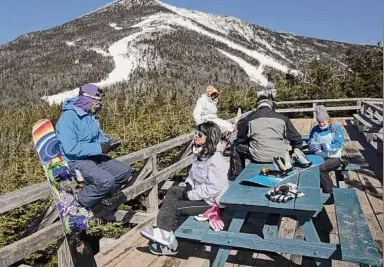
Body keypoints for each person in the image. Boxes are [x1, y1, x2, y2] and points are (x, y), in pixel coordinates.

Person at [140, 121, 229, 256]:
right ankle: (164, 232)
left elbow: (214, 188)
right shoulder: (200, 154)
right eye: (195, 133)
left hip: (211, 202)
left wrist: (190, 195)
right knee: (173, 190)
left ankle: (170, 242)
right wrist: (188, 186)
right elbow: (192, 176)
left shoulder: (216, 160)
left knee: (175, 207)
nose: (195, 137)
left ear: (209, 138)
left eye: (200, 134)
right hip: (199, 194)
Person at [55, 83, 132, 214]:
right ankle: (79, 203)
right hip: (75, 160)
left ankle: (103, 197)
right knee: (106, 180)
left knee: (124, 171)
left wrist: (109, 143)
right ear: (87, 99)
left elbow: (98, 137)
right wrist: (99, 148)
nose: (99, 104)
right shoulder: (68, 118)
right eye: (97, 101)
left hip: (93, 156)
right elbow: (71, 148)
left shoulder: (90, 116)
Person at [228, 89, 303, 180]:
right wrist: (296, 153)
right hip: (279, 156)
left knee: (235, 146)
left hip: (258, 156)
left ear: (257, 105)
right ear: (271, 104)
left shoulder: (247, 119)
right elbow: (297, 139)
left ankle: (236, 176)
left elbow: (240, 140)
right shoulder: (283, 119)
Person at [307, 105, 345, 193]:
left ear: (328, 119)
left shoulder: (335, 128)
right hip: (320, 156)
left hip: (334, 157)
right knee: (307, 166)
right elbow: (311, 141)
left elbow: (338, 144)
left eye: (323, 122)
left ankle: (329, 189)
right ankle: (315, 189)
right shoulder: (315, 129)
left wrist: (323, 146)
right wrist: (312, 145)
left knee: (320, 167)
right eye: (319, 122)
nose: (321, 124)